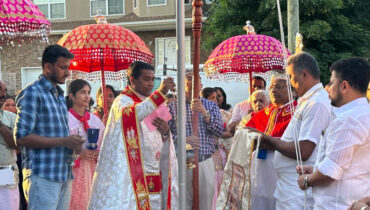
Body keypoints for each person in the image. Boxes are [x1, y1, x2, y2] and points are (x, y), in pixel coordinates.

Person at [88, 61, 178, 209]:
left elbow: (161, 136)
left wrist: (165, 133)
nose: (150, 84)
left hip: (155, 170)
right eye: (146, 79)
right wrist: (160, 93)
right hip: (132, 175)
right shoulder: (122, 101)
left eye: (152, 79)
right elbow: (134, 115)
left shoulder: (154, 102)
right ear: (132, 80)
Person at [15, 45, 85, 210]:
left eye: (67, 68)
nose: (67, 73)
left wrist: (73, 144)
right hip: (42, 174)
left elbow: (60, 136)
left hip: (62, 173)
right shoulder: (33, 93)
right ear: (47, 67)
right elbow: (21, 137)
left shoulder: (59, 95)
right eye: (62, 67)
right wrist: (63, 141)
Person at [259, 52, 332, 209]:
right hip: (290, 187)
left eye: (291, 77)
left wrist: (270, 140)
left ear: (304, 74)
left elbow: (304, 150)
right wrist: (275, 142)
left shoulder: (317, 103)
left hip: (298, 190)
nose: (291, 83)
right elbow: (296, 141)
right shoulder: (308, 100)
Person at [296, 57, 370, 210]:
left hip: (337, 205)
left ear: (344, 86)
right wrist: (317, 168)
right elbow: (350, 163)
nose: (328, 88)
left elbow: (330, 172)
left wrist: (306, 180)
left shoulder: (349, 120)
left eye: (331, 82)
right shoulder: (363, 114)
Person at [168, 72, 223, 210]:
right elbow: (164, 135)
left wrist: (205, 113)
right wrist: (183, 140)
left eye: (196, 80)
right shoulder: (172, 106)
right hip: (183, 160)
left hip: (205, 161)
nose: (192, 83)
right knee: (184, 203)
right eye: (188, 79)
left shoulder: (210, 106)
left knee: (205, 202)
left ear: (201, 86)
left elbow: (219, 131)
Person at [245, 75, 297, 210]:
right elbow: (246, 130)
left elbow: (296, 142)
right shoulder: (267, 111)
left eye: (278, 87)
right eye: (272, 87)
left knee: (276, 198)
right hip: (260, 163)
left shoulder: (297, 111)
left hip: (282, 164)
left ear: (292, 91)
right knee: (259, 196)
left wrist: (270, 141)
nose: (273, 91)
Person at [65, 79, 105, 210]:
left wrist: (98, 152)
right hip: (74, 172)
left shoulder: (95, 120)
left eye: (88, 92)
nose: (87, 96)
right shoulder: (65, 119)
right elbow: (60, 148)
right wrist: (79, 154)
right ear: (72, 95)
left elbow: (103, 143)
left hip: (93, 169)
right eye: (82, 92)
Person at [0, 81, 19, 210]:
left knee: (8, 206)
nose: (3, 94)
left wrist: (0, 125)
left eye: (5, 91)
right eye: (0, 90)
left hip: (5, 170)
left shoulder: (12, 117)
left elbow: (17, 144)